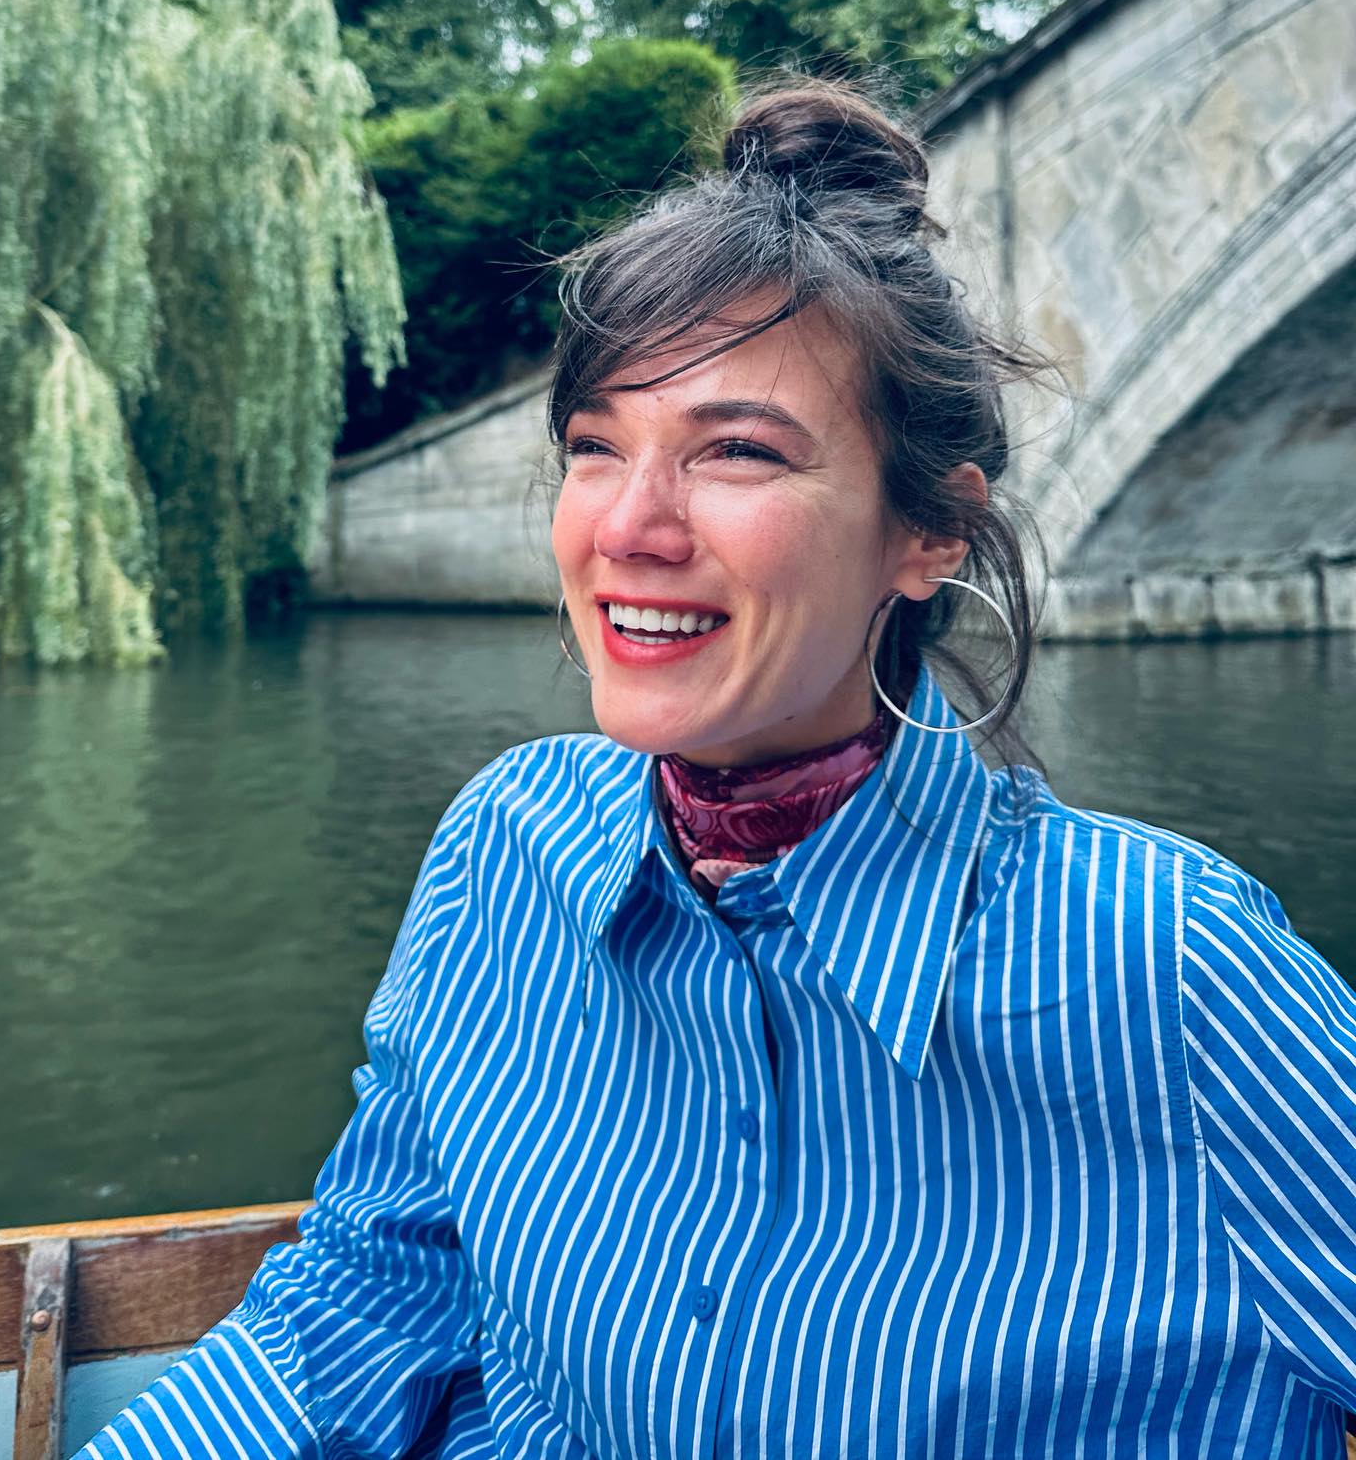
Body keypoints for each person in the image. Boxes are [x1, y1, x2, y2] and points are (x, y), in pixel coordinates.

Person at [79, 78, 1356, 1458]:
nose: (629, 526)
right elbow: (358, 1306)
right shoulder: (505, 846)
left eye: (735, 452)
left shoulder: (1174, 972)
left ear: (929, 533)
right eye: (595, 447)